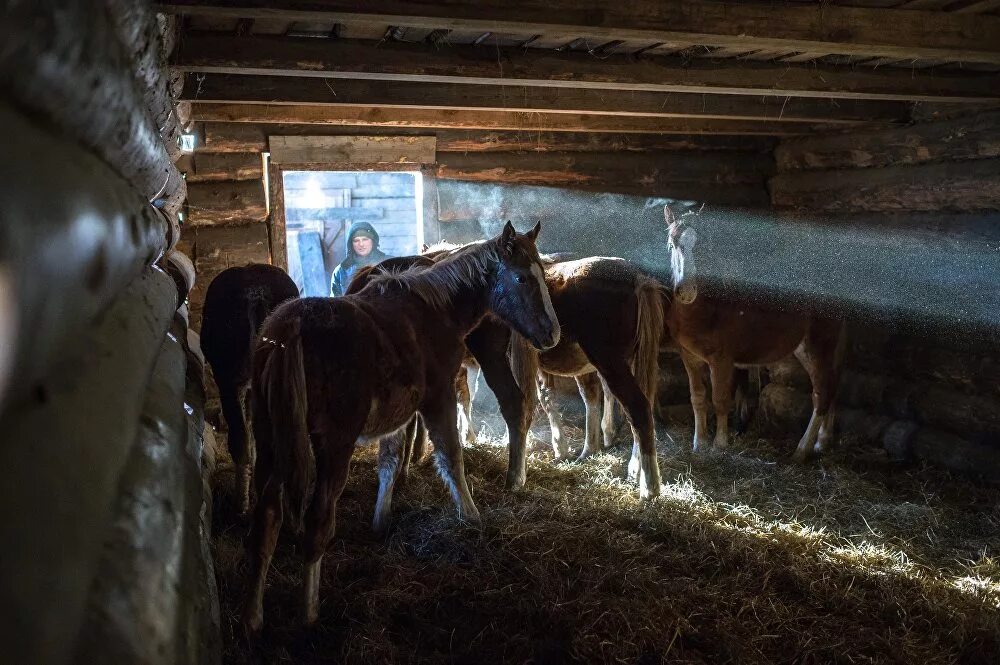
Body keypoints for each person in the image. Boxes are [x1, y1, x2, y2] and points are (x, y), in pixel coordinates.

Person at [329, 221, 392, 296]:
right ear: (351, 244)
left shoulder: (390, 263)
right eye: (356, 240)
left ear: (373, 241)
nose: (361, 244)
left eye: (365, 239)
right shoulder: (341, 271)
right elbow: (335, 302)